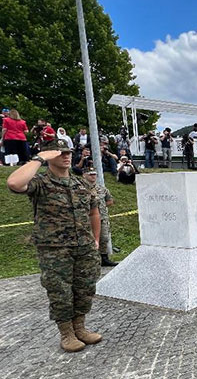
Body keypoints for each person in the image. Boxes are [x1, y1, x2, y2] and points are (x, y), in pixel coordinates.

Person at [6, 139, 103, 352]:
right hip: (55, 250)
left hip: (84, 247)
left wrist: (95, 240)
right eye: (60, 153)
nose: (66, 156)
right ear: (50, 156)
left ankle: (80, 327)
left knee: (85, 288)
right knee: (60, 292)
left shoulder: (81, 184)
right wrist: (39, 159)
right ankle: (66, 333)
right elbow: (14, 183)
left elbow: (94, 212)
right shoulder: (40, 183)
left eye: (68, 152)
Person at [83, 167, 118, 266]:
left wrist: (100, 207)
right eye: (90, 174)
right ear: (84, 175)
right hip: (86, 218)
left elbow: (110, 200)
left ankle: (104, 258)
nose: (93, 176)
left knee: (104, 238)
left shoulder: (101, 189)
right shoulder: (81, 189)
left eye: (94, 174)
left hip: (102, 217)